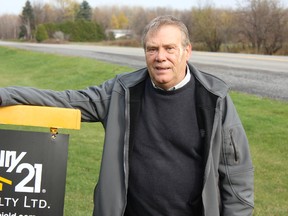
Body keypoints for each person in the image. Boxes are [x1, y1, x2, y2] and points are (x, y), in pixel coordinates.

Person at [0, 15, 254, 216]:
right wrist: (6, 95)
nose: (160, 57)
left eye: (169, 48)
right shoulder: (121, 92)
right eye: (152, 49)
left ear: (187, 51)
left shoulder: (213, 99)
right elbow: (66, 101)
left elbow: (237, 177)